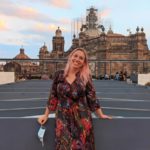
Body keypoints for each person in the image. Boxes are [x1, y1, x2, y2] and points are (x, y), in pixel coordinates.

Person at [38, 48, 112, 150]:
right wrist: (45, 115)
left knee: (82, 147)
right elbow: (53, 95)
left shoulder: (85, 77)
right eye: (75, 56)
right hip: (62, 118)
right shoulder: (59, 75)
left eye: (81, 58)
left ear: (83, 63)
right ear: (71, 57)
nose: (77, 59)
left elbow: (92, 98)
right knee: (64, 146)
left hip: (82, 119)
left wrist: (101, 114)